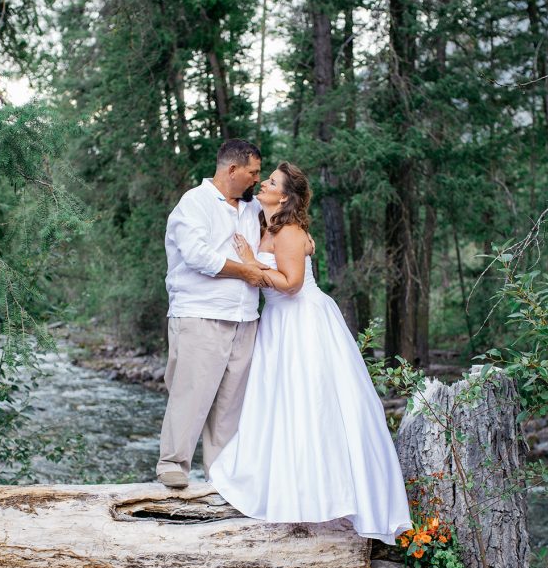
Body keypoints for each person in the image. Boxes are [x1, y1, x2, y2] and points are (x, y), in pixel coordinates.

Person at [208, 162, 413, 544]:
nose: (263, 184)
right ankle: (290, 489)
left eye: (271, 182)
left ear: (284, 196)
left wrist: (250, 264)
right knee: (281, 406)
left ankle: (327, 497)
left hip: (301, 321)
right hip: (278, 322)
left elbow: (292, 284)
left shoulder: (289, 231)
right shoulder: (268, 225)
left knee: (310, 404)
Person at [156, 139, 269, 489]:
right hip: (200, 313)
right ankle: (173, 463)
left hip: (245, 317)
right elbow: (197, 256)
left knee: (230, 404)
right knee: (191, 392)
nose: (256, 179)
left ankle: (221, 475)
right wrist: (246, 271)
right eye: (253, 172)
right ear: (232, 169)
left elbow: (284, 228)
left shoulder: (252, 209)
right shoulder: (195, 202)